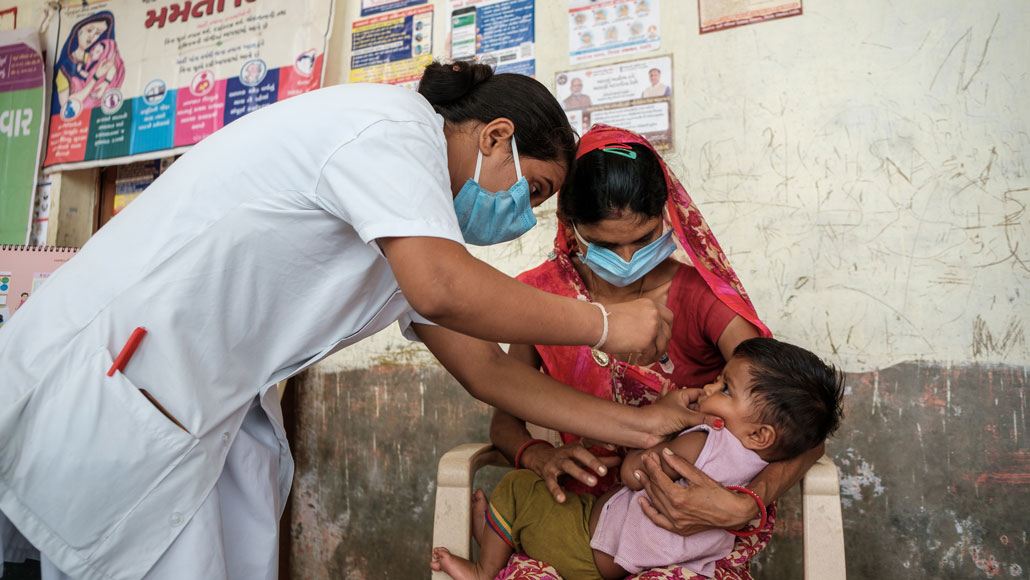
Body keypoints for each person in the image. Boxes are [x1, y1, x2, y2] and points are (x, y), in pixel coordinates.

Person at [0, 64, 702, 580]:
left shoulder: (409, 228)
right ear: (495, 136)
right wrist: (604, 324)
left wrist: (644, 425)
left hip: (183, 409)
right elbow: (443, 288)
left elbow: (485, 368)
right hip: (115, 377)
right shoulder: (390, 130)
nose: (523, 211)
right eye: (534, 188)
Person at [486, 125, 825, 579]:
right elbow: (504, 417)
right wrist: (536, 455)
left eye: (643, 239)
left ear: (668, 218)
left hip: (680, 538)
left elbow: (800, 423)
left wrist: (745, 504)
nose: (626, 258)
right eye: (606, 244)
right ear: (569, 225)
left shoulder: (703, 298)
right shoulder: (540, 300)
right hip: (581, 522)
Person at [431, 337, 846, 580]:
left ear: (760, 432)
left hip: (589, 547)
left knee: (519, 488)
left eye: (724, 389)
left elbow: (634, 474)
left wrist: (653, 433)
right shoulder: (762, 459)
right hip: (665, 566)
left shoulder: (707, 438)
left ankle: (485, 569)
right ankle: (500, 538)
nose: (708, 388)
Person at [52, 11, 125, 119]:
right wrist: (95, 78)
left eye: (98, 33)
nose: (92, 36)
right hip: (78, 123)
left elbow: (112, 66)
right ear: (79, 31)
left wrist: (106, 82)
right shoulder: (64, 68)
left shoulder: (96, 57)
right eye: (89, 30)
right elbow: (67, 107)